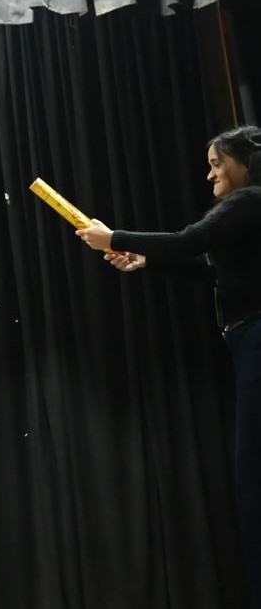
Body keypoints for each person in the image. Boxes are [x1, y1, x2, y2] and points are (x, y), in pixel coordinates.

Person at [77, 125, 261, 606]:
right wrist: (146, 261)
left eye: (217, 164)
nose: (210, 174)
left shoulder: (249, 200)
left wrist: (113, 236)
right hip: (247, 342)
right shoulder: (246, 209)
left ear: (246, 162)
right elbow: (210, 270)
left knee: (253, 478)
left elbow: (186, 241)